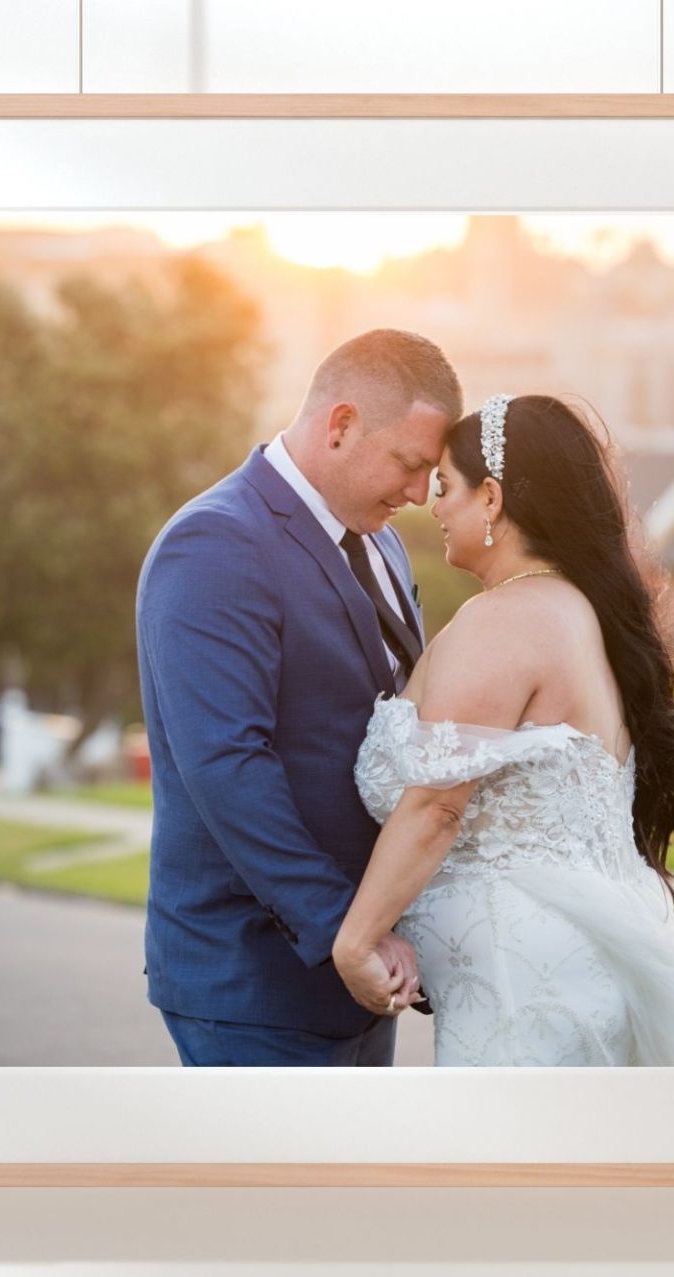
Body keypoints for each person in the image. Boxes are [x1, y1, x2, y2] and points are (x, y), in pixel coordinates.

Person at [339, 394, 674, 1067]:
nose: (432, 503)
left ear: (492, 499)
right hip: (581, 962)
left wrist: (356, 942)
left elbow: (438, 805)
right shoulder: (582, 613)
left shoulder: (504, 621)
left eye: (446, 486)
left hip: (522, 985)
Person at [135, 329, 460, 1066]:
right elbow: (227, 766)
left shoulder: (380, 541)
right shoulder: (216, 543)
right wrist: (349, 933)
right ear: (341, 425)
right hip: (254, 980)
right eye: (409, 464)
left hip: (362, 974)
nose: (417, 495)